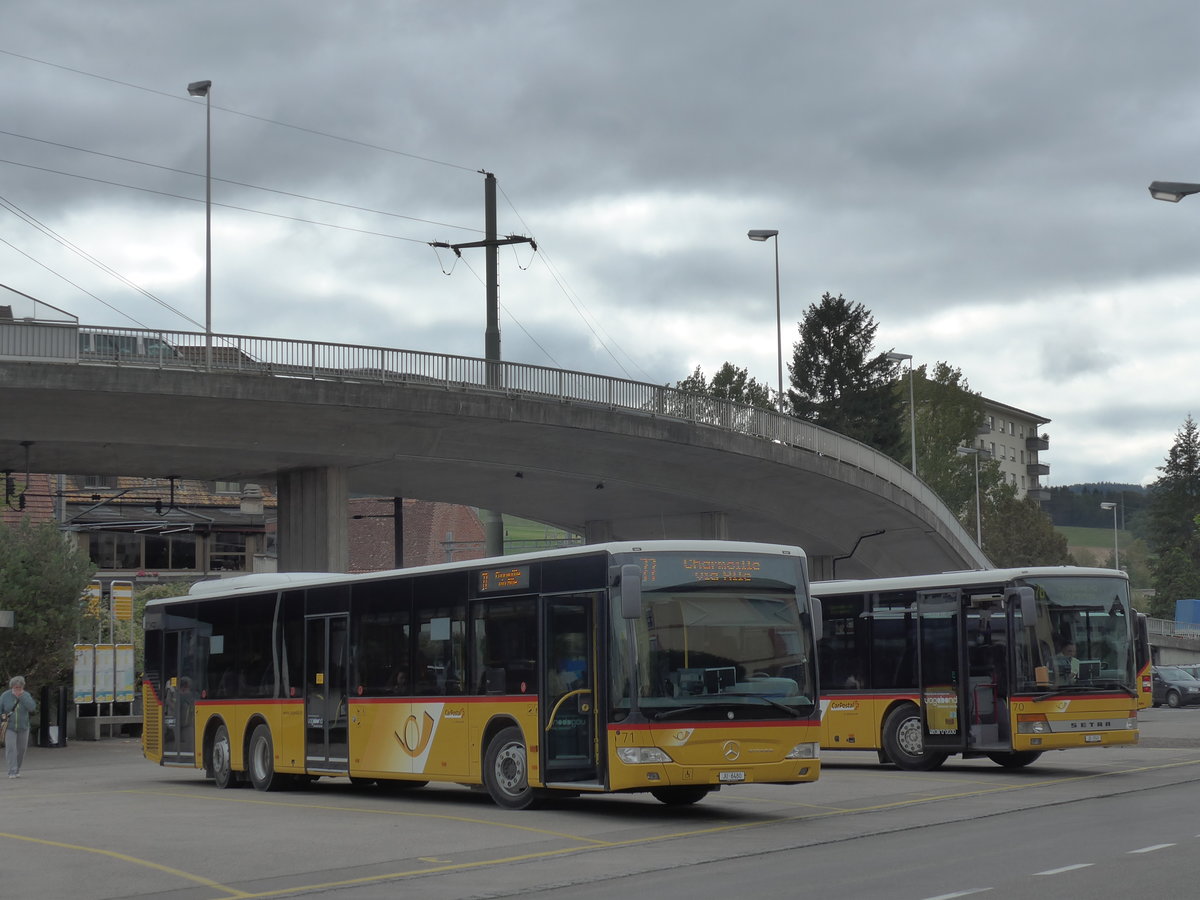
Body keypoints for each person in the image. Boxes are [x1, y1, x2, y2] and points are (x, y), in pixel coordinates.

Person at [0, 675, 37, 778]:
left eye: (20, 687)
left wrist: (22, 696)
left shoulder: (26, 695)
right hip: (9, 727)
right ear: (12, 687)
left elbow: (32, 708)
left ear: (23, 687)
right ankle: (12, 771)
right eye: (15, 687)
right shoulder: (5, 696)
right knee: (11, 748)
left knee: (21, 749)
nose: (17, 689)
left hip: (23, 727)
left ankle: (17, 769)